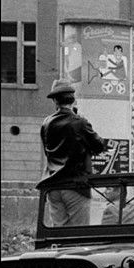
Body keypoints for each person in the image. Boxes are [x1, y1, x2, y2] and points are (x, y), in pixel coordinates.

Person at [36, 78, 107, 226]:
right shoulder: (79, 122)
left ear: (55, 101)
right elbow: (99, 145)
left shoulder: (46, 123)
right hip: (75, 185)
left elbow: (48, 151)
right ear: (73, 100)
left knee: (59, 230)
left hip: (53, 185)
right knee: (78, 233)